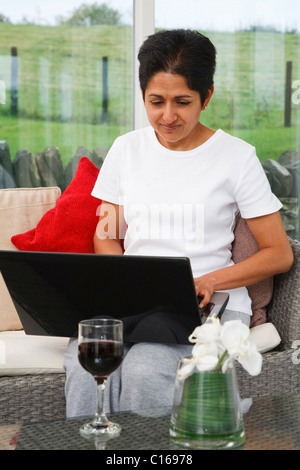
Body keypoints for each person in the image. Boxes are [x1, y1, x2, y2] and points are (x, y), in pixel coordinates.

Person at [64, 29, 293, 417]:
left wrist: (209, 281)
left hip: (210, 303)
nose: (167, 117)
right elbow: (106, 235)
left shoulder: (237, 158)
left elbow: (279, 254)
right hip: (138, 301)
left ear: (207, 96)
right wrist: (123, 284)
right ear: (142, 96)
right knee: (88, 362)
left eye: (182, 102)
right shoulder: (126, 149)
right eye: (156, 102)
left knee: (144, 366)